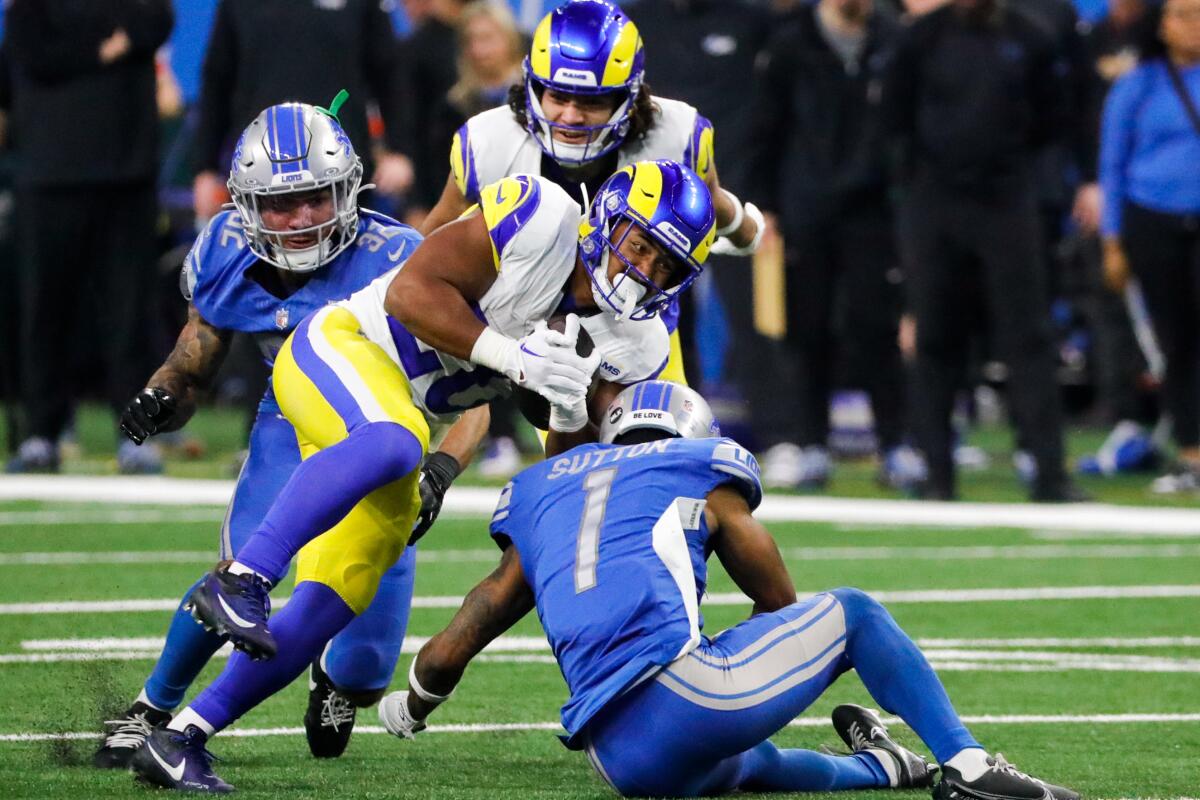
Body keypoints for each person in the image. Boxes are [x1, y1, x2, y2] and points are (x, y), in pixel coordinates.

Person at [129, 159, 717, 793]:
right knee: (398, 442)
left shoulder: (638, 341)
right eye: (641, 247)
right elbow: (411, 291)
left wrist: (569, 403)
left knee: (329, 605)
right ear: (607, 220)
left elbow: (563, 467)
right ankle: (242, 579)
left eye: (667, 267)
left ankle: (180, 738)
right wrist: (512, 356)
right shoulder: (539, 216)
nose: (644, 274)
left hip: (399, 409)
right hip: (342, 345)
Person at [376, 381, 1079, 800]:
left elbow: (485, 608)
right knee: (856, 615)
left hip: (617, 758)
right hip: (691, 696)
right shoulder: (696, 462)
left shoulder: (539, 489)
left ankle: (885, 766)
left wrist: (415, 698)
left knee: (749, 764)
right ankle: (969, 765)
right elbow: (779, 598)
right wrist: (770, 648)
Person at [94, 100, 425, 768]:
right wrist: (163, 396)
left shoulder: (400, 259)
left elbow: (466, 396)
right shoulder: (223, 248)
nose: (300, 219)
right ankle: (153, 705)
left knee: (364, 670)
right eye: (279, 204)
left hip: (381, 436)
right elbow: (196, 366)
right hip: (288, 419)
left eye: (314, 198)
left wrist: (442, 467)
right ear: (246, 204)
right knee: (238, 574)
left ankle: (332, 677)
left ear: (347, 189)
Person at [886, 0, 1086, 502]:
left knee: (1030, 338)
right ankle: (936, 474)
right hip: (935, 202)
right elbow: (894, 118)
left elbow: (1052, 118)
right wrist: (916, 188)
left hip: (1006, 200)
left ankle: (1048, 473)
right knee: (935, 337)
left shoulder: (1031, 37)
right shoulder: (921, 38)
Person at [749, 0, 924, 491]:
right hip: (805, 207)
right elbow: (765, 127)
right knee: (808, 328)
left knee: (877, 325)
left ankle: (895, 442)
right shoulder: (789, 43)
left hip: (874, 209)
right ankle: (811, 444)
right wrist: (765, 207)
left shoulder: (894, 39)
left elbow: (909, 124)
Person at [4, 0, 173, 474]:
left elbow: (156, 21)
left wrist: (105, 45)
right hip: (48, 174)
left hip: (127, 173)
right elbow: (35, 53)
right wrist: (108, 47)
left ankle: (136, 435)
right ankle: (43, 432)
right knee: (45, 309)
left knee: (130, 312)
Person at [1099, 0, 1200, 493]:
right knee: (1175, 339)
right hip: (1152, 220)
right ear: (1161, 25)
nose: (1193, 25)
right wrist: (1112, 240)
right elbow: (1112, 164)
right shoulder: (1138, 85)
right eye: (1182, 14)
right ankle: (1190, 450)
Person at [191, 0, 413, 223]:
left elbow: (389, 75)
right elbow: (217, 81)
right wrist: (205, 168)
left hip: (341, 170)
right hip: (259, 173)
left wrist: (400, 151)